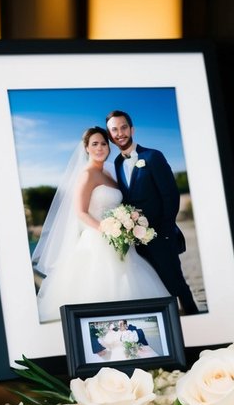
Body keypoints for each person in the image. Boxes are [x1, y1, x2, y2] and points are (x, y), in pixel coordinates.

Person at [32, 126, 170, 322]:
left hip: (120, 238)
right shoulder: (87, 174)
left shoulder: (109, 173)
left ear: (109, 147)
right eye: (94, 144)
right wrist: (106, 230)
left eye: (104, 143)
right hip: (99, 238)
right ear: (86, 148)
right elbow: (81, 212)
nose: (100, 148)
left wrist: (126, 224)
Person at [107, 110, 200, 316]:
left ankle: (195, 318)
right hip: (136, 241)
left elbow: (171, 195)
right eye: (114, 130)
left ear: (132, 129)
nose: (120, 133)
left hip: (161, 235)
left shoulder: (153, 156)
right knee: (156, 290)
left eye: (123, 127)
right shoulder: (116, 163)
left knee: (176, 284)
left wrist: (165, 231)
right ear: (110, 135)